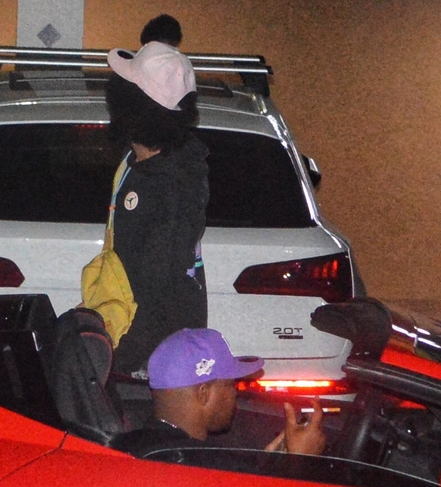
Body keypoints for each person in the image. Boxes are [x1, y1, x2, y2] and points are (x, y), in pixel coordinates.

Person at [98, 39, 209, 378]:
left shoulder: (172, 187)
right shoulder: (139, 163)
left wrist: (119, 362)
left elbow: (160, 290)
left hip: (154, 361)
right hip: (136, 344)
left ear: (132, 108)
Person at [114, 328, 327, 458]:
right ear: (204, 393)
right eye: (231, 385)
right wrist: (299, 462)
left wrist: (276, 461)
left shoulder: (134, 446)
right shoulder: (194, 465)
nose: (235, 394)